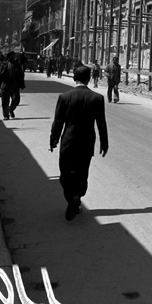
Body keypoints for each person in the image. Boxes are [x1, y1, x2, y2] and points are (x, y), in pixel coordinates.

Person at [49, 65, 109, 221]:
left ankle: (72, 198)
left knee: (65, 172)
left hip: (68, 140)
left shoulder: (64, 97)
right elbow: (101, 123)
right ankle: (77, 195)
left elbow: (58, 122)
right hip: (87, 141)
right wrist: (104, 142)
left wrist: (53, 139)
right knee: (82, 171)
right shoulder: (97, 98)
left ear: (74, 78)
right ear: (89, 79)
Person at [0, 52, 25, 120]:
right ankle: (6, 115)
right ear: (8, 57)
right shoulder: (4, 64)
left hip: (15, 85)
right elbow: (0, 74)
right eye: (11, 56)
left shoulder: (17, 64)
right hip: (6, 85)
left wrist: (22, 84)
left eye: (13, 56)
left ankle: (11, 110)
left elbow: (21, 75)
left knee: (16, 100)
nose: (13, 58)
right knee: (5, 101)